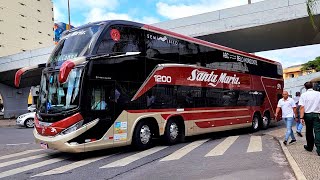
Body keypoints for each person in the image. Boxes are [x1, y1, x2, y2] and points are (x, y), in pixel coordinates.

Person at [298, 82, 320, 156]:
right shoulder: (318, 94)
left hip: (308, 115)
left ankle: (310, 147)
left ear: (305, 87)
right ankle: (319, 149)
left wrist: (301, 117)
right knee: (318, 131)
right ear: (312, 86)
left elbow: (302, 107)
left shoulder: (303, 95)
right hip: (317, 114)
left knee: (309, 131)